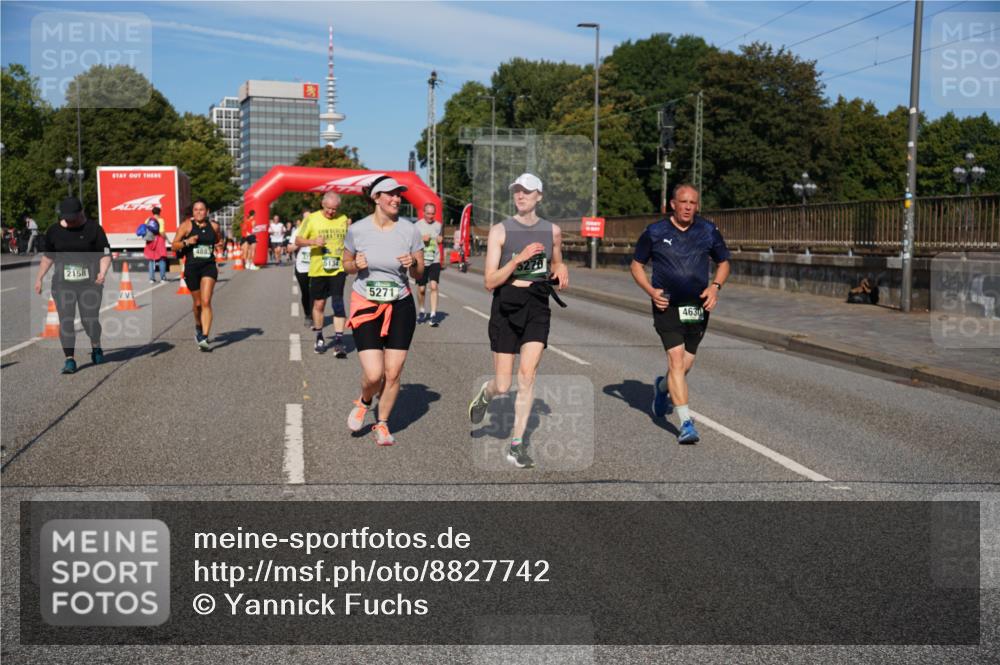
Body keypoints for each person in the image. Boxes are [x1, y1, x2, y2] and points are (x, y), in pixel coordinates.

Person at [467, 173, 568, 469]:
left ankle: (517, 445)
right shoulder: (500, 231)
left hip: (537, 304)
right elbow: (489, 281)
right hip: (507, 305)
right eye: (517, 191)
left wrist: (561, 270)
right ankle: (486, 395)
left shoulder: (553, 231)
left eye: (527, 191)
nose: (521, 196)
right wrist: (516, 260)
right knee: (503, 385)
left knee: (527, 376)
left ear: (539, 196)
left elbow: (557, 259)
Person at [630, 183, 730, 444]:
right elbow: (637, 265)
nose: (688, 207)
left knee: (685, 365)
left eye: (693, 203)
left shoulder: (708, 230)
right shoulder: (655, 232)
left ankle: (661, 388)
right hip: (667, 304)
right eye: (683, 202)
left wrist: (715, 287)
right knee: (675, 361)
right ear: (672, 204)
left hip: (697, 306)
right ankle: (686, 423)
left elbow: (724, 263)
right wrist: (651, 291)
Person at [342, 175, 424, 446]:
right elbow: (346, 264)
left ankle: (383, 423)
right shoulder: (358, 230)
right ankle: (365, 401)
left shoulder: (409, 230)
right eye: (390, 194)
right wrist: (356, 264)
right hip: (366, 302)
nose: (396, 199)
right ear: (376, 198)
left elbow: (419, 272)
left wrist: (413, 262)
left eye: (399, 194)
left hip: (400, 303)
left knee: (394, 372)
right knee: (374, 374)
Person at [33, 197, 112, 374]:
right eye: (66, 217)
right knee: (66, 320)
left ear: (81, 212)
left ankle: (96, 345)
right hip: (63, 283)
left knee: (89, 320)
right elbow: (48, 257)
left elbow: (105, 253)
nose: (69, 221)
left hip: (90, 283)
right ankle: (70, 359)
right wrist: (39, 278)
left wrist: (102, 272)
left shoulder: (94, 229)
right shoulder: (54, 231)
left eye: (72, 217)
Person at [295, 192, 351, 356]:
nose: (332, 212)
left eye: (335, 209)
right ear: (322, 204)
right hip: (319, 269)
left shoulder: (342, 219)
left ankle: (339, 341)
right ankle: (319, 336)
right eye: (329, 209)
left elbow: (349, 241)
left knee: (338, 303)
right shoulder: (311, 219)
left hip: (338, 269)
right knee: (319, 305)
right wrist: (312, 241)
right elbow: (298, 240)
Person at [172, 199, 224, 351]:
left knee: (206, 301)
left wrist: (219, 245)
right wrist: (187, 241)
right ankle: (198, 326)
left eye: (202, 209)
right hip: (192, 268)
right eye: (196, 210)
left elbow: (219, 240)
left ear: (207, 211)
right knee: (198, 304)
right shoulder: (186, 225)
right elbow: (174, 245)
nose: (199, 212)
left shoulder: (213, 226)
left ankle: (204, 337)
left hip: (208, 266)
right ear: (193, 212)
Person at [414, 202, 443, 326]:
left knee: (434, 286)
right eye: (428, 213)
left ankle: (433, 314)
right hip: (421, 261)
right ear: (423, 213)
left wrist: (441, 240)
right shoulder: (417, 226)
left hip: (434, 260)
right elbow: (412, 243)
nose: (431, 216)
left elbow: (440, 239)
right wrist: (421, 239)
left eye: (433, 214)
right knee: (421, 289)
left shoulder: (438, 226)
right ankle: (421, 311)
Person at [288, 216, 313, 327]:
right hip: (302, 267)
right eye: (305, 218)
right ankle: (308, 315)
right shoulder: (297, 231)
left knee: (315, 293)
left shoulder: (318, 229)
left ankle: (315, 315)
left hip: (316, 267)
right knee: (306, 292)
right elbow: (289, 248)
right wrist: (301, 243)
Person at [144, 207, 168, 282]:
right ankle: (163, 278)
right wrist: (166, 238)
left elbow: (146, 229)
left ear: (152, 212)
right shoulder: (160, 220)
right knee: (162, 258)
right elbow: (161, 232)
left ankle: (151, 278)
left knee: (151, 259)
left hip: (150, 240)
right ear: (159, 212)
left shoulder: (148, 220)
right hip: (159, 240)